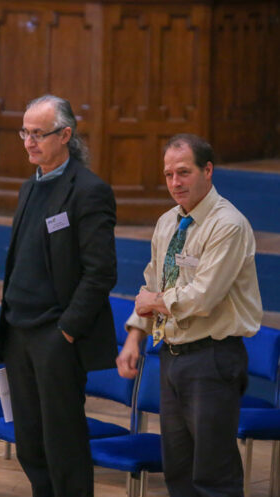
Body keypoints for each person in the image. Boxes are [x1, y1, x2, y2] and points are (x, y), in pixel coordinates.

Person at [117, 134, 262, 497]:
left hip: (212, 360)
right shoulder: (168, 222)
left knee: (213, 476)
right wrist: (135, 336)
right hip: (171, 357)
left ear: (208, 171)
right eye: (168, 175)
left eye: (183, 172)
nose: (175, 183)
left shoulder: (227, 224)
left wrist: (153, 301)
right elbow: (151, 281)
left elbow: (202, 298)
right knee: (178, 472)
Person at [0, 95, 117, 497]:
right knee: (29, 440)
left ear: (65, 135)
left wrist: (66, 331)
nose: (28, 141)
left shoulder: (88, 191)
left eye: (37, 133)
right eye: (24, 132)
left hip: (55, 335)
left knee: (63, 442)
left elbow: (100, 273)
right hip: (19, 331)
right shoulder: (30, 186)